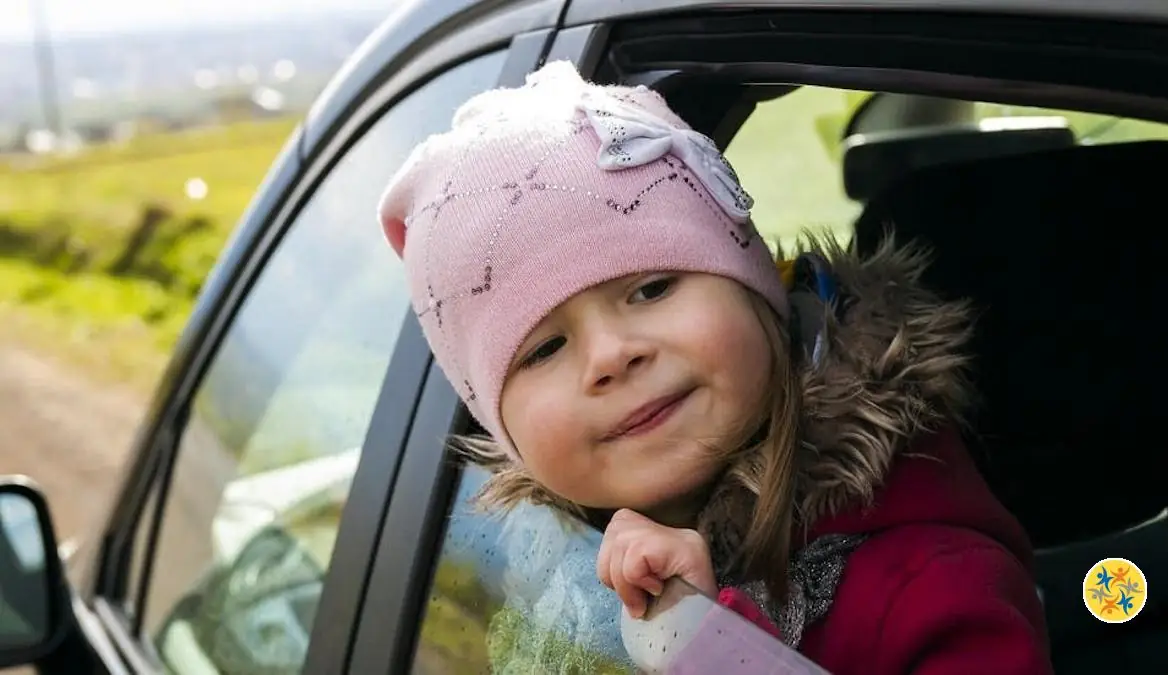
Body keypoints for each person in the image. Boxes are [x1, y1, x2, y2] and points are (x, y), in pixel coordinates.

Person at [376, 61, 1053, 674]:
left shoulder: (933, 583)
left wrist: (711, 651)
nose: (612, 355)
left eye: (653, 288)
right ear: (503, 429)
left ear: (757, 289)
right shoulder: (546, 583)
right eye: (544, 348)